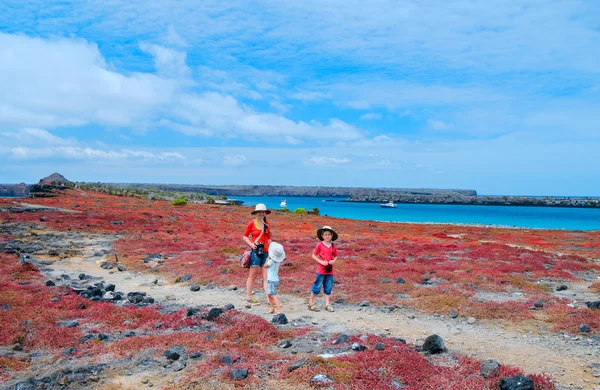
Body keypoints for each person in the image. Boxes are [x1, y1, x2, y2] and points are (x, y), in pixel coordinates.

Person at [242, 203, 271, 303]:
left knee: (266, 276)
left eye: (263, 212)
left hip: (266, 252)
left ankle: (269, 298)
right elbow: (245, 236)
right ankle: (249, 297)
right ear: (256, 213)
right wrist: (251, 244)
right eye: (259, 212)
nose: (261, 214)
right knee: (253, 275)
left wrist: (272, 250)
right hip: (255, 252)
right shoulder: (251, 223)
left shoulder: (267, 223)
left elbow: (268, 237)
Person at [308, 225, 339, 312]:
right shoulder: (320, 245)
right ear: (322, 236)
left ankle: (327, 304)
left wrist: (333, 261)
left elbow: (336, 256)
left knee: (328, 287)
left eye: (329, 234)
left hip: (330, 271)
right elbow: (313, 255)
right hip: (321, 270)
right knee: (317, 286)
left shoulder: (333, 245)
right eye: (325, 234)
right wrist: (321, 262)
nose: (327, 236)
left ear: (332, 235)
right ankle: (310, 302)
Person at [264, 241, 285, 314]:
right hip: (275, 279)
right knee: (269, 294)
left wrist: (268, 258)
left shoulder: (271, 261)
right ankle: (271, 308)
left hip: (271, 280)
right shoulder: (277, 261)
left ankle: (278, 309)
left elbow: (265, 266)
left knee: (272, 295)